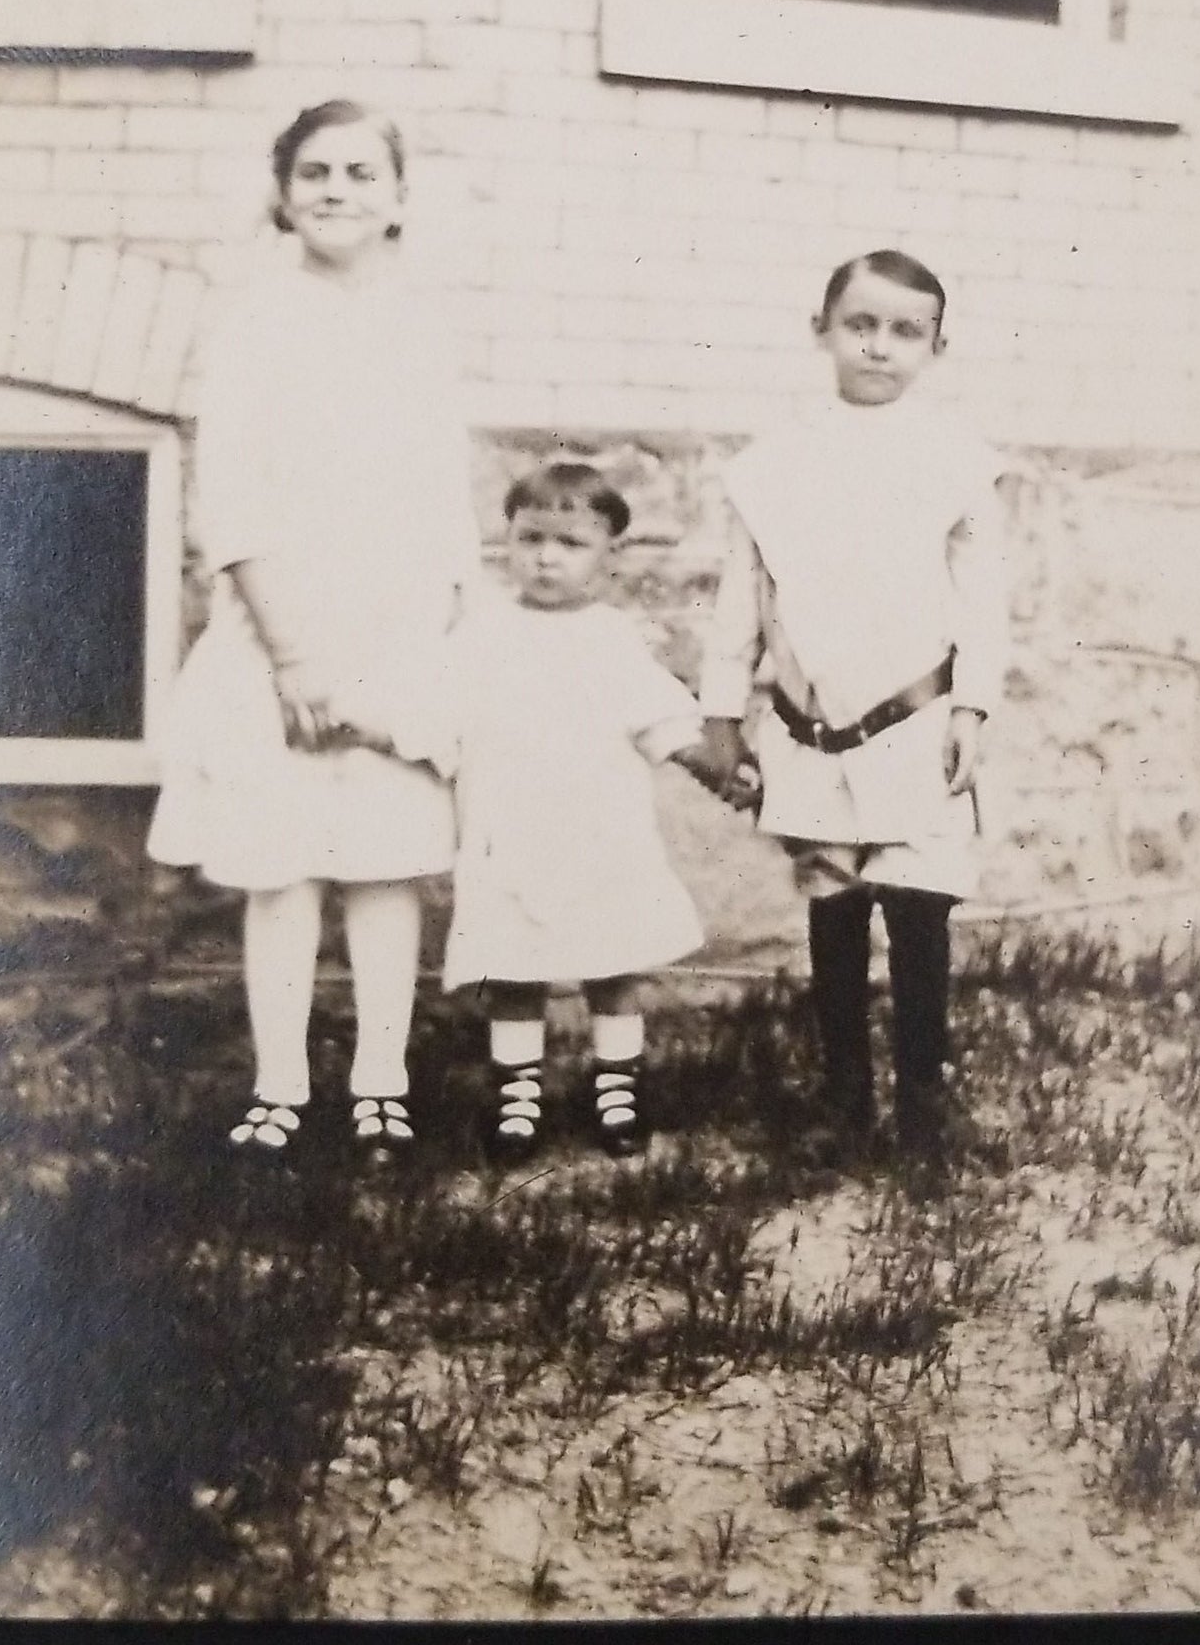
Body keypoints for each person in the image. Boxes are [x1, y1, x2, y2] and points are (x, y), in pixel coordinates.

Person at [147, 99, 481, 1158]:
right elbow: (230, 498)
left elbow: (443, 500)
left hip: (396, 634)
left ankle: (381, 1076)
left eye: (359, 172)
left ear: (396, 199)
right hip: (279, 633)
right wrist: (292, 653)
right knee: (283, 866)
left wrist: (424, 649)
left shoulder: (421, 328)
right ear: (282, 196)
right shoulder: (256, 324)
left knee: (385, 864)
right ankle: (280, 1083)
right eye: (314, 172)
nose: (335, 188)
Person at [698, 249, 1008, 1163]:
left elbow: (982, 602)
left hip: (915, 719)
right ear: (822, 331)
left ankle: (922, 1102)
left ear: (934, 348)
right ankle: (844, 1096)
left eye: (905, 332)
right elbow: (739, 600)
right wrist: (723, 716)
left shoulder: (956, 462)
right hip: (813, 725)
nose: (879, 347)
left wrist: (972, 710)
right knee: (832, 906)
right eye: (860, 325)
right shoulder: (774, 465)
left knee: (918, 907)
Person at [411, 461, 720, 1160]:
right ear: (509, 543)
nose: (546, 556)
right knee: (514, 969)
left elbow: (659, 720)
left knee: (612, 965)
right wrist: (375, 728)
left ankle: (617, 1089)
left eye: (570, 543)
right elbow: (433, 714)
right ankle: (517, 1097)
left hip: (598, 832)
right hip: (509, 831)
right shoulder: (483, 635)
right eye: (531, 538)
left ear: (609, 556)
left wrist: (709, 765)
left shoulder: (612, 638)